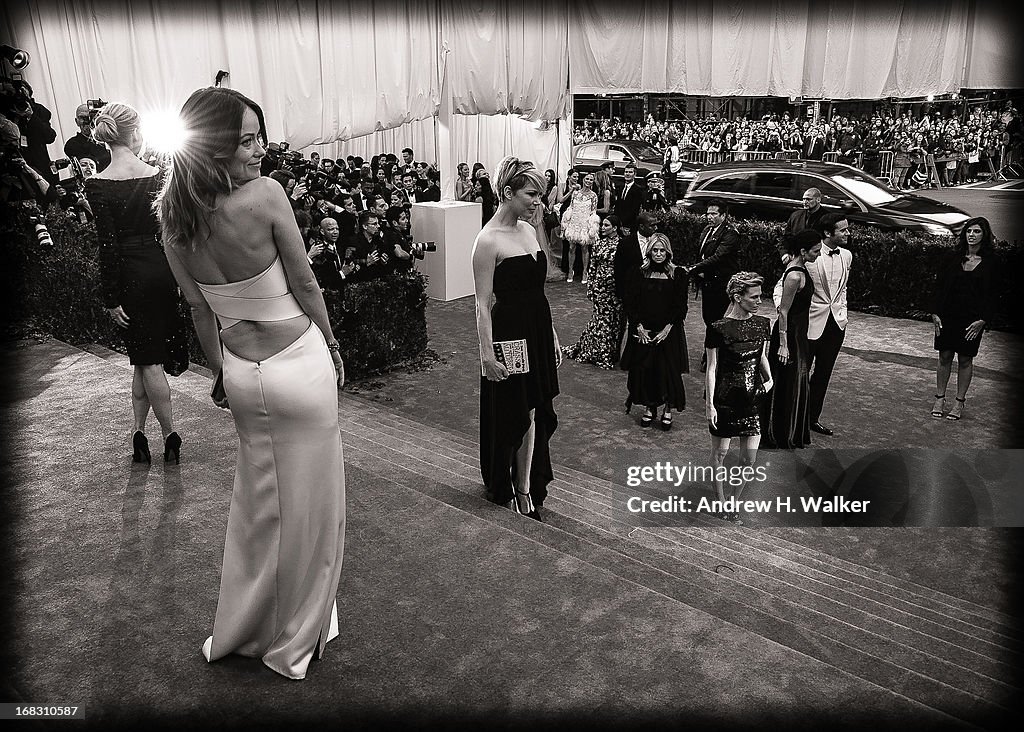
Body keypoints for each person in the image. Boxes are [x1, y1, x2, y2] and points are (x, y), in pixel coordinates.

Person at [156, 87, 346, 680]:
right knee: (315, 508)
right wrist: (334, 345)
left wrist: (220, 370)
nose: (260, 150)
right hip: (301, 364)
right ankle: (298, 635)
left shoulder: (172, 221)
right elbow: (307, 284)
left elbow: (198, 311)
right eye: (246, 139)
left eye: (260, 136)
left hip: (241, 374)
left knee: (260, 508)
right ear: (214, 147)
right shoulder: (266, 198)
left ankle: (245, 626)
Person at [85, 102, 184, 465]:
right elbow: (170, 235)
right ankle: (138, 434)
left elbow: (107, 247)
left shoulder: (97, 184)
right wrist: (178, 277)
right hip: (160, 270)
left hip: (130, 278)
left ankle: (170, 434)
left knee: (149, 361)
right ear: (136, 133)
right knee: (144, 361)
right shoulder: (158, 173)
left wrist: (111, 297)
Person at [472, 155, 561, 522]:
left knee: (537, 407)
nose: (539, 201)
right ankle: (517, 489)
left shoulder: (528, 230)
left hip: (537, 331)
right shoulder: (487, 240)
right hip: (510, 338)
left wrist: (552, 333)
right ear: (507, 193)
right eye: (531, 194)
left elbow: (536, 290)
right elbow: (481, 304)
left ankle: (525, 486)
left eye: (540, 195)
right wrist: (487, 356)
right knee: (519, 412)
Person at [705, 272, 773, 524]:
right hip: (724, 399)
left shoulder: (762, 324)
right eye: (754, 297)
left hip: (753, 399)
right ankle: (721, 502)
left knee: (749, 458)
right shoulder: (717, 329)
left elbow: (762, 356)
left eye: (760, 296)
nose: (759, 301)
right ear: (737, 297)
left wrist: (770, 380)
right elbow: (712, 369)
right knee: (720, 453)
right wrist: (710, 405)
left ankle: (734, 501)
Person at [931, 217, 999, 421]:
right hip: (948, 315)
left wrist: (983, 320)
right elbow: (938, 286)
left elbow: (995, 294)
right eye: (969, 231)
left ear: (984, 235)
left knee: (965, 359)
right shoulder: (952, 258)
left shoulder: (993, 263)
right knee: (944, 356)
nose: (971, 235)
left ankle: (959, 401)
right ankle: (939, 398)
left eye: (976, 231)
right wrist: (934, 312)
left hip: (972, 320)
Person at [620, 233, 689, 430]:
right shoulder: (637, 272)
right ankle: (650, 408)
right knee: (646, 369)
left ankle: (667, 409)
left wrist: (668, 329)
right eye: (655, 250)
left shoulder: (678, 274)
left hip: (669, 330)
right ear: (649, 251)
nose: (658, 254)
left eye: (662, 250)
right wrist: (638, 327)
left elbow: (680, 307)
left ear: (668, 252)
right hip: (644, 330)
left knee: (668, 371)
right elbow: (630, 303)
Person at [762, 230, 823, 449]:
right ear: (803, 251)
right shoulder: (795, 275)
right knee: (788, 383)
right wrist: (784, 344)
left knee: (792, 383)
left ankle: (786, 432)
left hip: (799, 333)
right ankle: (780, 433)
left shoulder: (800, 268)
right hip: (790, 336)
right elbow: (783, 311)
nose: (819, 254)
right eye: (816, 251)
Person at [805, 213, 852, 436]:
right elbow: (782, 286)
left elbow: (843, 288)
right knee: (801, 372)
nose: (848, 233)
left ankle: (813, 418)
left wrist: (843, 311)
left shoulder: (847, 256)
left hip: (836, 325)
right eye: (843, 230)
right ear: (827, 233)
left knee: (823, 374)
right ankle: (795, 417)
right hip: (811, 322)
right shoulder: (810, 255)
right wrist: (783, 311)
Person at [684, 198, 742, 369]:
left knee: (714, 320)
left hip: (722, 283)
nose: (709, 217)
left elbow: (718, 257)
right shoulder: (707, 230)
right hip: (708, 282)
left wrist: (693, 269)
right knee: (709, 318)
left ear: (723, 215)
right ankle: (716, 351)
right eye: (708, 213)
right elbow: (702, 254)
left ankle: (711, 356)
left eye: (714, 214)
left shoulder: (731, 233)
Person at [562, 214, 624, 369]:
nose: (602, 228)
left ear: (615, 228)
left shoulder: (622, 245)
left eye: (606, 225)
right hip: (600, 288)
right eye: (602, 225)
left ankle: (608, 354)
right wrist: (591, 287)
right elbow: (593, 267)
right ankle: (599, 354)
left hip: (615, 290)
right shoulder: (598, 244)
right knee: (601, 320)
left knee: (613, 323)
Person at [560, 171, 599, 283]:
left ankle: (584, 272)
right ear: (583, 180)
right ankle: (570, 270)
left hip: (585, 223)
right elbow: (571, 208)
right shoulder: (575, 193)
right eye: (587, 179)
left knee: (584, 248)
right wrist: (566, 223)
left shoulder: (593, 195)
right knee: (571, 247)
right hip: (574, 223)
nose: (588, 181)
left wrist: (591, 227)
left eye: (591, 180)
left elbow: (593, 211)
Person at [64, 103, 111, 172]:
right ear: (76, 122)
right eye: (82, 118)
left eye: (90, 117)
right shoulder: (72, 144)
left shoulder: (106, 140)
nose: (86, 121)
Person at [614, 162, 644, 234]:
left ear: (635, 174)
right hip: (618, 223)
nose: (627, 174)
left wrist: (623, 223)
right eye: (626, 172)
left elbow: (634, 209)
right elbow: (618, 205)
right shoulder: (620, 187)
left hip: (629, 225)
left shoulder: (638, 190)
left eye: (630, 172)